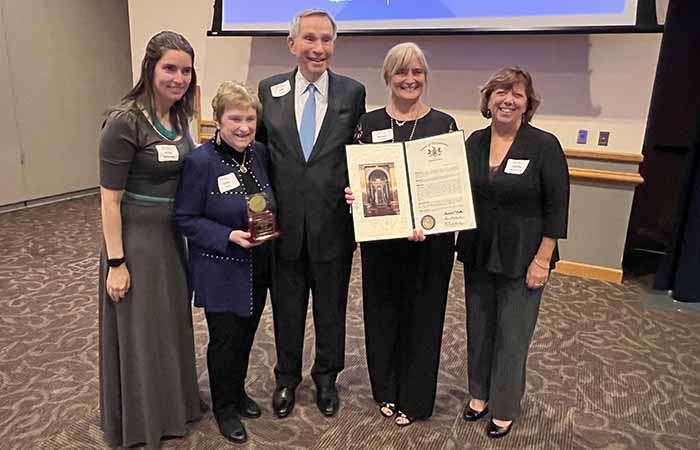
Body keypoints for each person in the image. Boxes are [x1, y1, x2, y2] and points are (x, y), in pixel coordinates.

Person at [257, 9, 366, 418]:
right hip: (283, 229)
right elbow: (261, 153)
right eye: (310, 39)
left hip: (333, 225)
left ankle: (326, 378)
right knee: (286, 309)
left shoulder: (352, 93)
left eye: (326, 39)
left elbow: (358, 155)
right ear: (292, 44)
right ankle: (286, 378)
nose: (318, 48)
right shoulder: (269, 91)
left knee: (331, 309)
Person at [98, 31, 204, 448]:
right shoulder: (124, 121)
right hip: (136, 241)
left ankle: (174, 403)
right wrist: (116, 263)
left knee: (169, 324)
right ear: (150, 68)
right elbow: (108, 200)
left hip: (171, 237)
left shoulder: (178, 114)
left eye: (185, 70)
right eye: (170, 68)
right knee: (141, 330)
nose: (178, 77)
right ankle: (144, 419)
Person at [345, 42, 458, 427]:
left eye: (417, 72)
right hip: (381, 244)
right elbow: (359, 180)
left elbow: (449, 189)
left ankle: (416, 398)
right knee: (381, 315)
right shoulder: (368, 124)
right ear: (387, 78)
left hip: (430, 245)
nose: (410, 80)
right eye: (401, 72)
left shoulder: (444, 125)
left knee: (423, 318)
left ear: (425, 77)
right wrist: (354, 194)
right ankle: (387, 391)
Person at [456, 66, 570, 438]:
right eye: (500, 93)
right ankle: (479, 394)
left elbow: (557, 206)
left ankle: (504, 407)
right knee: (479, 325)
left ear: (527, 103)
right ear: (488, 100)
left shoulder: (543, 145)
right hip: (479, 250)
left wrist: (543, 259)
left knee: (513, 333)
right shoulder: (473, 141)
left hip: (524, 255)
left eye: (516, 94)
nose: (507, 100)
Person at [174, 81, 274, 444]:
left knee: (246, 336)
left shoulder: (259, 153)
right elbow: (185, 218)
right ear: (217, 120)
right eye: (235, 118)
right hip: (220, 265)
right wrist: (228, 236)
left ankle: (238, 392)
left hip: (257, 265)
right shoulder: (200, 162)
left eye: (249, 118)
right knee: (224, 341)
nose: (244, 126)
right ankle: (224, 408)